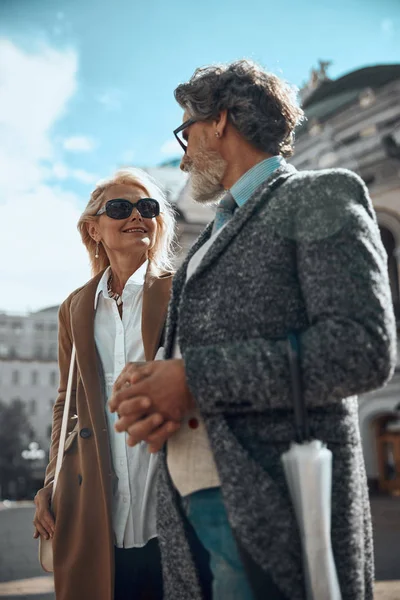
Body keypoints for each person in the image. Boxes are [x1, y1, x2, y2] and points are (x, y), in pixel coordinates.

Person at [109, 61, 397, 600]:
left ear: (219, 122)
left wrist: (194, 379)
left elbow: (362, 349)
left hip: (270, 510)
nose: (183, 153)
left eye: (186, 132)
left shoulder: (321, 194)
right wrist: (152, 392)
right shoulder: (205, 242)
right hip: (187, 509)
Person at [33, 168, 176, 600]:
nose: (137, 216)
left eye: (147, 207)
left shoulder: (181, 291)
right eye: (120, 208)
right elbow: (66, 402)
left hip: (168, 507)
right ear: (93, 228)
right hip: (93, 510)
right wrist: (51, 481)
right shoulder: (75, 307)